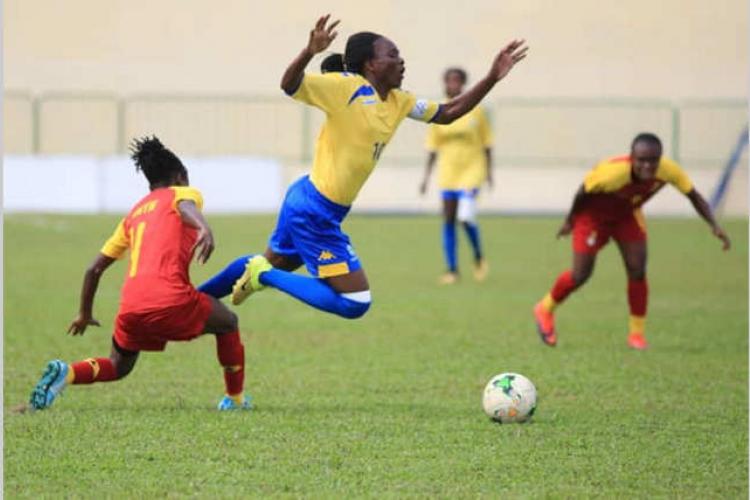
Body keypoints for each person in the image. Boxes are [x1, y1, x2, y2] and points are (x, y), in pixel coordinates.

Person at [198, 14, 527, 320]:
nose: (401, 61)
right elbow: (289, 84)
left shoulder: (401, 100)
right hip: (315, 210)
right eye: (392, 55)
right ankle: (260, 275)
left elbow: (449, 112)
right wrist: (309, 52)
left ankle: (188, 301)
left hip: (309, 197)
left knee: (271, 261)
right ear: (371, 64)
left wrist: (492, 78)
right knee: (355, 302)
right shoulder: (345, 88)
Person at [29, 137, 251, 411]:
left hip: (131, 309)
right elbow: (186, 207)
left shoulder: (133, 214)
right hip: (171, 300)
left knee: (118, 365)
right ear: (181, 176)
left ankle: (68, 373)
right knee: (228, 322)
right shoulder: (183, 194)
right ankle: (236, 399)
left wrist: (84, 313)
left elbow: (93, 269)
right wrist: (204, 227)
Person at [533, 133, 731, 350]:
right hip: (593, 218)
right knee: (581, 275)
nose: (647, 166)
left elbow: (694, 196)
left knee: (637, 269)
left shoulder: (668, 170)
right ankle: (545, 308)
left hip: (627, 215)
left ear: (660, 159)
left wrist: (714, 225)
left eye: (653, 160)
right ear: (631, 157)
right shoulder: (611, 174)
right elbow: (583, 192)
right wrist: (570, 221)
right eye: (642, 160)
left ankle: (637, 335)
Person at [420, 67, 494, 284]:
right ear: (444, 83)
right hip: (448, 173)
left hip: (472, 170)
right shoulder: (439, 110)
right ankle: (452, 270)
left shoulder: (475, 110)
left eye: (457, 81)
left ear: (463, 84)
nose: (453, 85)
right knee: (449, 220)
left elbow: (487, 143)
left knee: (465, 216)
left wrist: (489, 172)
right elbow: (432, 148)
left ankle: (479, 257)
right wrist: (425, 178)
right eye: (449, 81)